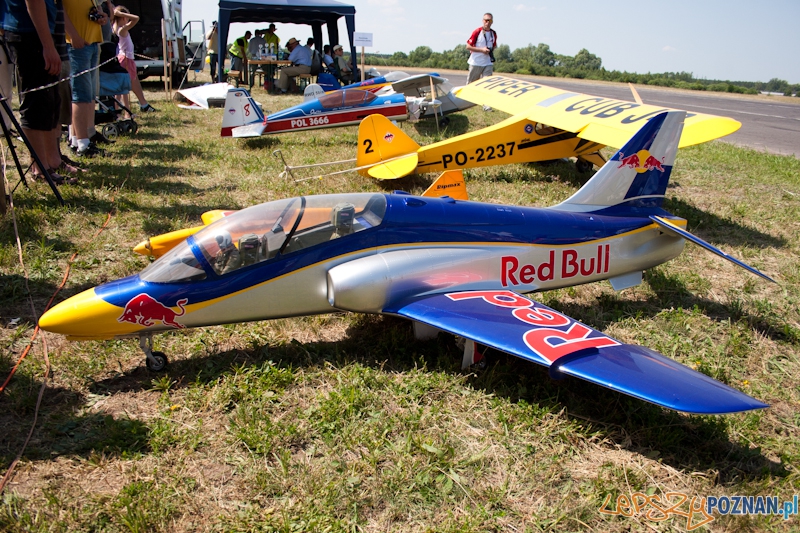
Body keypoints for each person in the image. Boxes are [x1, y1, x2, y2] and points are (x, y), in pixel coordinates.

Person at [2, 0, 76, 182]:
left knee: (51, 100)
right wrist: (48, 46)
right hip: (29, 32)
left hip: (42, 31)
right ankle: (40, 168)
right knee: (37, 101)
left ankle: (52, 161)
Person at [64, 0, 112, 157]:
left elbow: (92, 9)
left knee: (89, 95)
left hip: (91, 42)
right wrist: (73, 35)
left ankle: (76, 140)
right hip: (77, 44)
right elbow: (61, 11)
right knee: (81, 95)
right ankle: (83, 145)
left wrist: (101, 16)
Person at [112, 6, 155, 114]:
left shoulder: (116, 28)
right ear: (123, 18)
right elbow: (136, 18)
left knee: (122, 87)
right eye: (126, 17)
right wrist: (122, 14)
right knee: (125, 87)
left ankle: (118, 111)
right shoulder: (122, 29)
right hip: (126, 59)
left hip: (124, 58)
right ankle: (127, 112)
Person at [466, 12, 496, 84]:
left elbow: (494, 45)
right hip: (476, 62)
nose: (488, 22)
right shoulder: (477, 31)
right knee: (472, 84)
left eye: (490, 20)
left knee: (487, 84)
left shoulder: (493, 33)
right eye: (486, 20)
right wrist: (482, 50)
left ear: (492, 22)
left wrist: (490, 50)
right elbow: (468, 46)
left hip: (488, 63)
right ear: (483, 21)